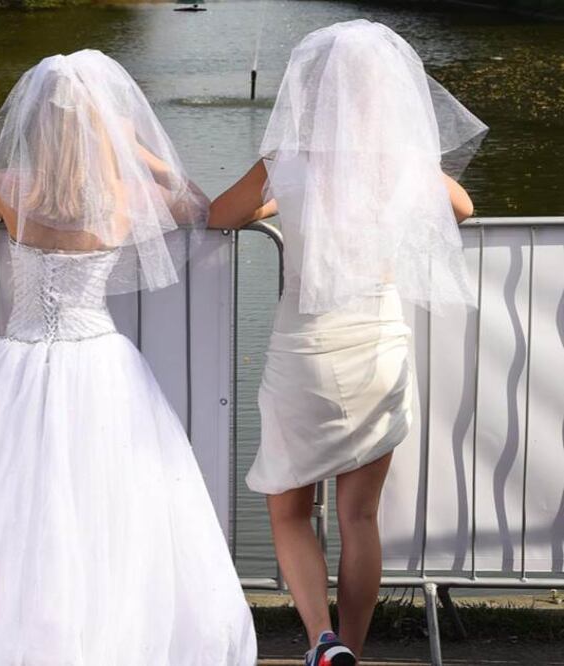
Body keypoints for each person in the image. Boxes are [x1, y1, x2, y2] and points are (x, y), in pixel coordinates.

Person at [0, 49, 256, 665]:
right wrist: (136, 149)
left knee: (10, 511)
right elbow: (194, 203)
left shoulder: (10, 187)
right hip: (99, 363)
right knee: (106, 507)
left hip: (18, 362)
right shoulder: (119, 193)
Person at [208, 20, 487, 666]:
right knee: (360, 519)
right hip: (376, 348)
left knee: (288, 512)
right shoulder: (400, 162)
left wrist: (276, 205)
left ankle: (319, 639)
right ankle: (352, 650)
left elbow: (220, 214)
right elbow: (463, 207)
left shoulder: (287, 161)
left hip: (304, 351)